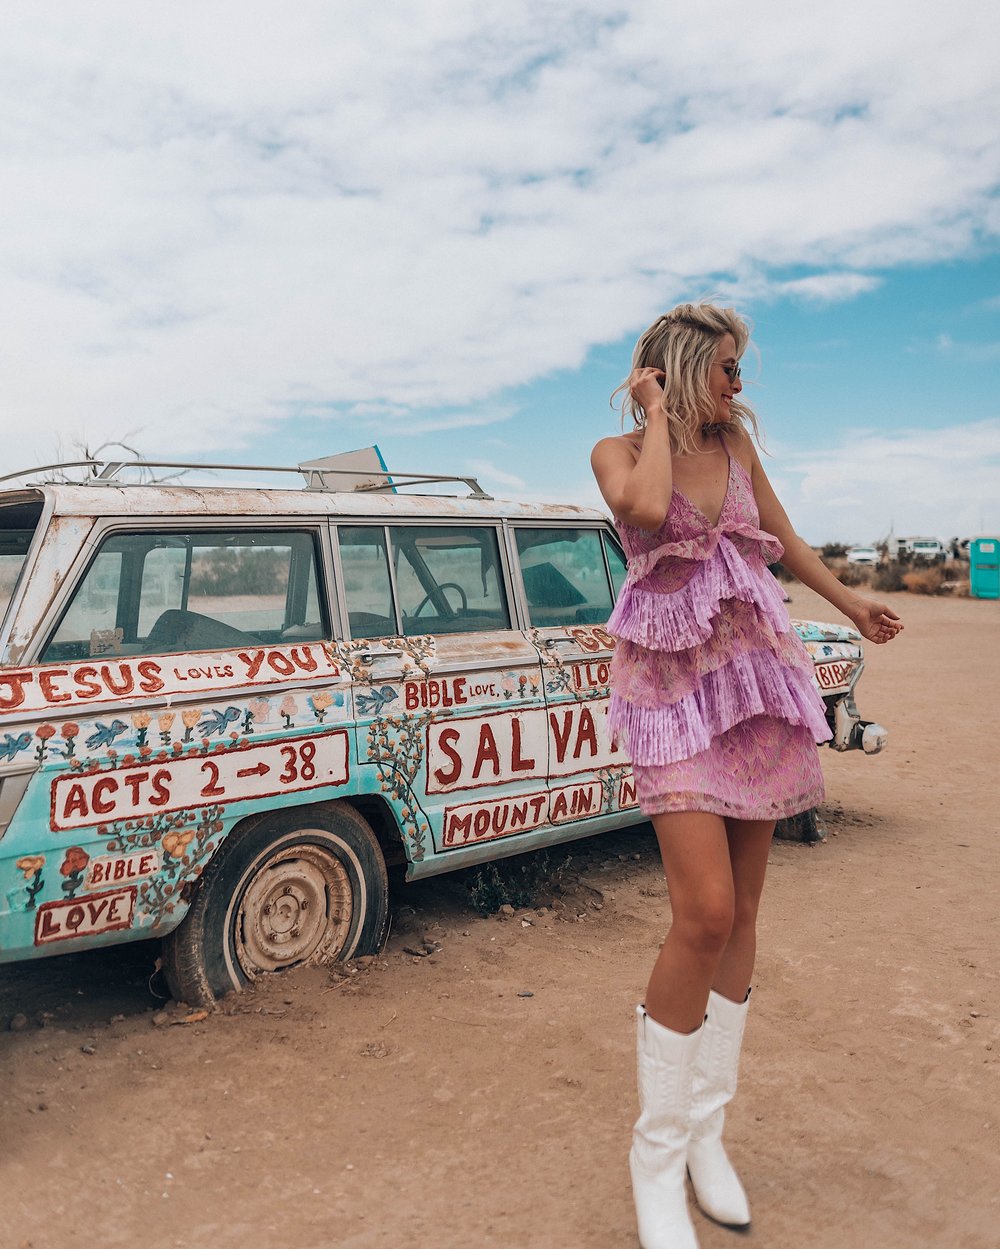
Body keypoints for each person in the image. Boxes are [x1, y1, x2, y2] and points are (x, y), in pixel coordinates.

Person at [590, 302, 903, 1249]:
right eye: (726, 370)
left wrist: (850, 602)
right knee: (706, 912)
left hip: (756, 681)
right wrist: (652, 411)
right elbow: (643, 510)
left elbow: (786, 540)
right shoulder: (618, 450)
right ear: (681, 368)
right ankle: (655, 1155)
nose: (739, 386)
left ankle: (705, 1136)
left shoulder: (738, 451)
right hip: (670, 690)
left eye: (740, 371)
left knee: (747, 915)